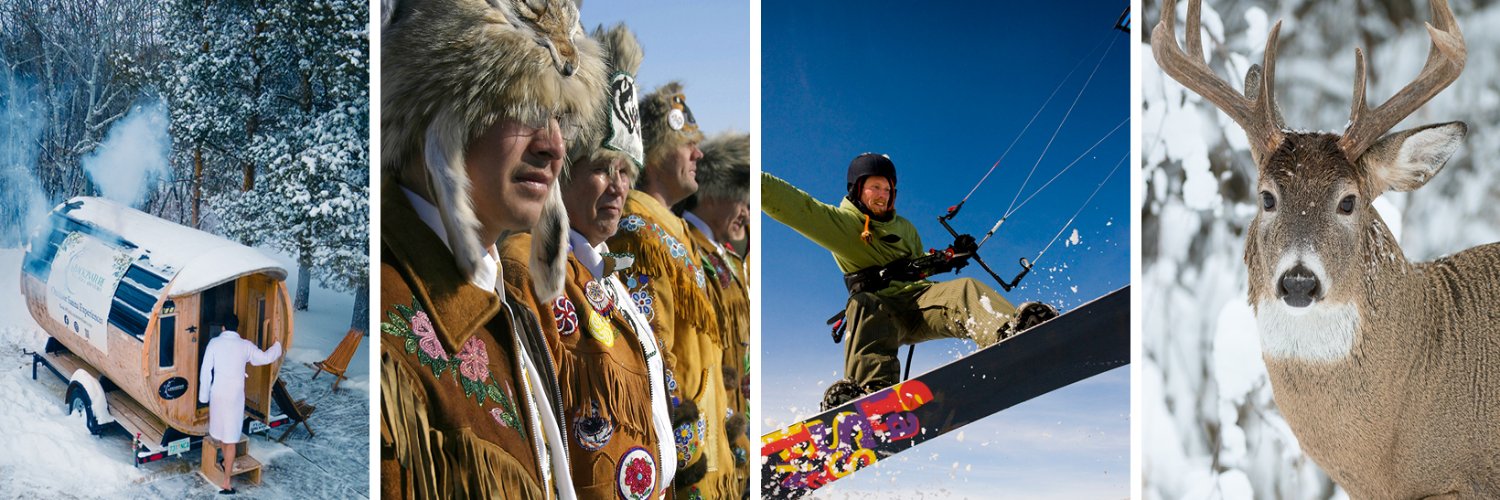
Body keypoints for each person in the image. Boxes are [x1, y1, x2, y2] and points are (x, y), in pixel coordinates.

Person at [378, 0, 605, 497]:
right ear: (437, 108)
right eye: (524, 106)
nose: (554, 145)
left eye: (562, 117)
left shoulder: (503, 298)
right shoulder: (387, 347)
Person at [500, 24, 677, 499]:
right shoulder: (529, 266)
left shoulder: (609, 277)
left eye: (626, 172)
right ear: (563, 170)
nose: (619, 186)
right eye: (601, 167)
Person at [762, 153, 1058, 410]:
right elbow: (795, 206)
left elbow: (916, 268)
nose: (883, 195)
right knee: (863, 303)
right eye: (875, 187)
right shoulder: (843, 225)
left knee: (965, 288)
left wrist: (949, 257)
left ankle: (1009, 334)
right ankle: (870, 393)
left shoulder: (905, 227)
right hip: (880, 316)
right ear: (857, 189)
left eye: (888, 189)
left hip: (919, 304)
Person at [607, 82, 737, 499]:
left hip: (714, 446)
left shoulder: (675, 228)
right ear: (658, 152)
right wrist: (686, 451)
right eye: (688, 144)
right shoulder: (637, 229)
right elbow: (651, 349)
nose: (699, 154)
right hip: (685, 463)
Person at [676, 131, 751, 486]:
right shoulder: (686, 246)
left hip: (734, 432)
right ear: (719, 190)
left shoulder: (730, 259)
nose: (747, 214)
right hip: (702, 432)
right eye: (743, 201)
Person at [197, 314, 282, 494]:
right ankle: (226, 481)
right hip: (235, 396)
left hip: (218, 393)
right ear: (237, 328)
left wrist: (203, 397)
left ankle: (225, 468)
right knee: (231, 438)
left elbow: (206, 371)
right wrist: (277, 346)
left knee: (221, 434)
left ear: (222, 328)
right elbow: (265, 358)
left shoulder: (214, 343)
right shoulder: (245, 346)